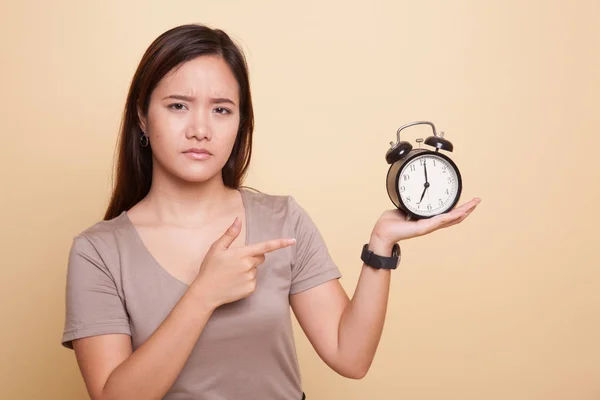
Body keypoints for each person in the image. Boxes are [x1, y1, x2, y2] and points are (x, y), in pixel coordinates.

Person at [61, 23, 481, 400]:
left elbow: (350, 357)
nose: (201, 129)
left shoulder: (283, 220)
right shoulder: (97, 252)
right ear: (142, 115)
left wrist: (381, 244)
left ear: (240, 122)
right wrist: (204, 294)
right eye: (178, 106)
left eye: (222, 109)